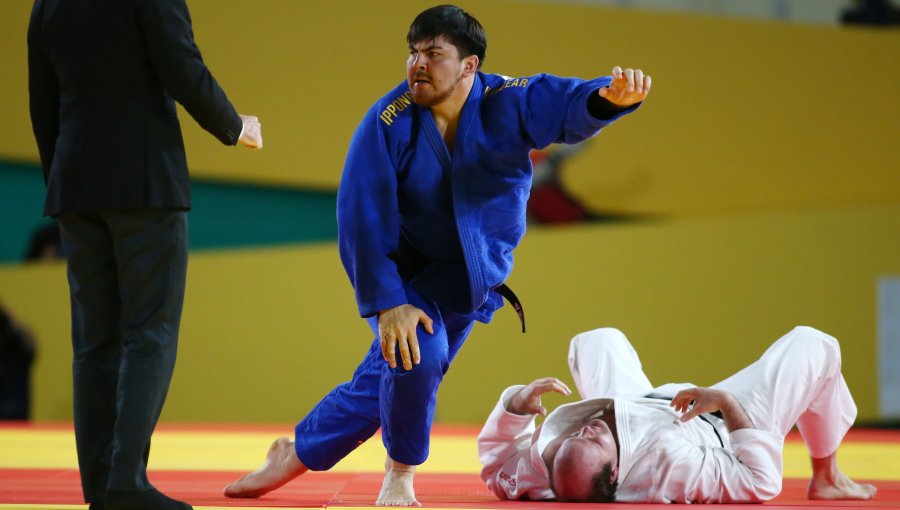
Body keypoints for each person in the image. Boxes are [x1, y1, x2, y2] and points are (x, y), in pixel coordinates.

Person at [224, 4, 650, 507]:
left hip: (473, 275)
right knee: (416, 359)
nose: (417, 64)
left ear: (470, 66)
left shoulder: (507, 101)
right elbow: (360, 219)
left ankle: (293, 452)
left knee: (384, 383)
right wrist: (388, 302)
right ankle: (399, 474)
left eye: (433, 53)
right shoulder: (386, 123)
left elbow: (565, 103)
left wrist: (606, 99)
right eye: (412, 52)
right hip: (407, 277)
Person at [27, 0, 262, 508]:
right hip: (144, 184)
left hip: (75, 187)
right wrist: (233, 125)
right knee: (148, 335)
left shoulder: (47, 5)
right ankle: (126, 483)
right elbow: (182, 66)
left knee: (93, 345)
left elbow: (41, 101)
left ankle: (101, 488)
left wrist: (62, 181)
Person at [478, 326, 878, 503]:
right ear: (615, 473)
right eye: (593, 439)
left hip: (636, 402)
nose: (586, 429)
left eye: (576, 436)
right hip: (716, 422)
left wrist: (516, 407)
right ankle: (827, 477)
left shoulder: (553, 472)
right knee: (815, 344)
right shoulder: (673, 467)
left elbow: (497, 469)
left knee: (595, 341)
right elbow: (760, 481)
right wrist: (724, 401)